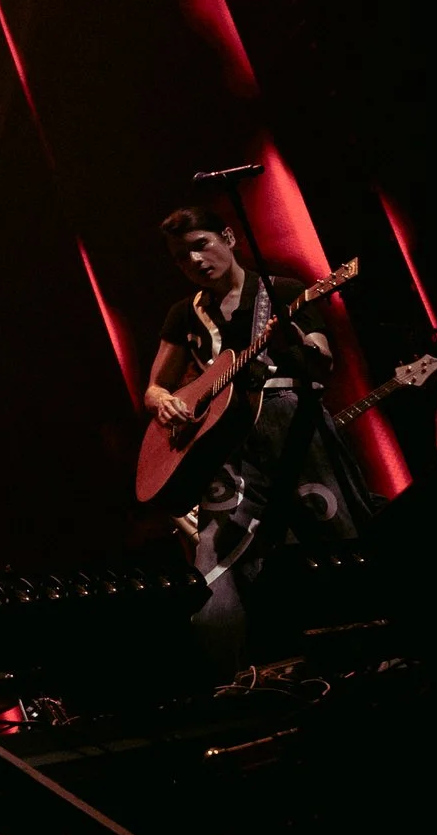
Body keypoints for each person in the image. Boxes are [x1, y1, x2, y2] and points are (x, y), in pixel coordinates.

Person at [144, 204, 372, 665]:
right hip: (225, 449)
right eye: (180, 258)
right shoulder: (183, 314)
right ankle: (237, 672)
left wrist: (297, 341)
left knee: (333, 532)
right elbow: (155, 386)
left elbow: (322, 364)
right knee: (217, 556)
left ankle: (371, 646)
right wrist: (161, 401)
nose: (194, 262)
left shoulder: (283, 291)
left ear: (228, 237)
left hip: (291, 423)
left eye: (199, 246)